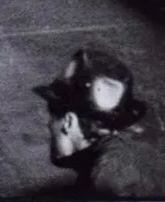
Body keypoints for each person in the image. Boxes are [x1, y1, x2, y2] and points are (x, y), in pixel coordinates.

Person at [34, 47, 164, 197]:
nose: (49, 125)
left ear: (69, 122)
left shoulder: (103, 184)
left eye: (53, 117)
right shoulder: (144, 152)